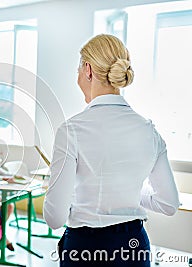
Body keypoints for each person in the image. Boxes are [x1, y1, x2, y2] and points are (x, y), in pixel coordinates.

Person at [43, 34, 180, 267]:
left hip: (87, 250)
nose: (77, 77)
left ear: (87, 70)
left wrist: (69, 191)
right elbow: (169, 204)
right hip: (134, 248)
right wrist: (124, 193)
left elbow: (54, 218)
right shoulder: (149, 131)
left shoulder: (71, 130)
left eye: (78, 70)